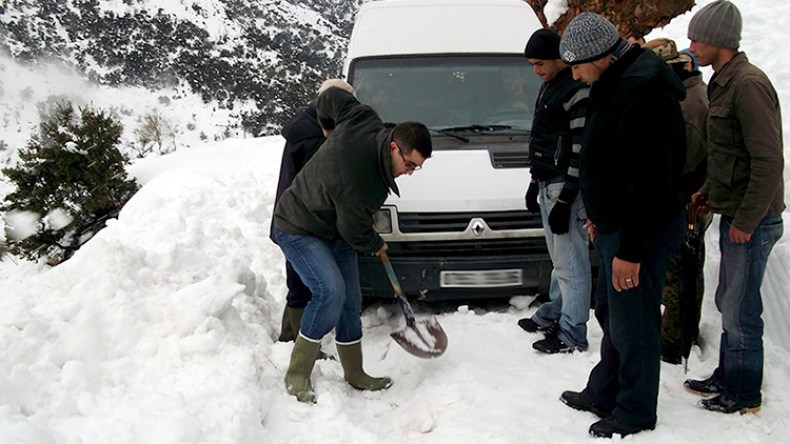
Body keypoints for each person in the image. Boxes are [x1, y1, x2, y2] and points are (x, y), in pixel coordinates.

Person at [556, 13, 686, 438]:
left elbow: (649, 182)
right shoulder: (615, 81)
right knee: (611, 312)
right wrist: (600, 217)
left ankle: (634, 411)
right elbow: (611, 162)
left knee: (635, 323)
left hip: (641, 234)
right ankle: (604, 390)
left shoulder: (643, 92)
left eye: (578, 66)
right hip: (617, 226)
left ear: (602, 56)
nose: (574, 75)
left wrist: (629, 251)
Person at [272, 85, 433, 403]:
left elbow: (331, 97)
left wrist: (330, 129)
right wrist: (375, 242)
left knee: (350, 300)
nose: (411, 173)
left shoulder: (362, 116)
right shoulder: (364, 181)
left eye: (417, 167)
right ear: (393, 147)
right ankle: (297, 373)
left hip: (334, 227)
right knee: (330, 291)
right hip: (300, 224)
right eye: (410, 165)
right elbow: (354, 229)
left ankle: (355, 372)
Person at [683, 0, 784, 414]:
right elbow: (728, 152)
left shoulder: (748, 85)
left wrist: (746, 219)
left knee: (742, 310)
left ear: (719, 40)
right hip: (734, 212)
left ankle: (743, 393)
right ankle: (728, 373)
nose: (691, 46)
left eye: (696, 38)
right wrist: (707, 189)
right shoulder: (721, 81)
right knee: (729, 301)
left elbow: (768, 160)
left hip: (753, 220)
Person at [517, 28, 592, 354]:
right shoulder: (550, 87)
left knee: (571, 263)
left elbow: (580, 149)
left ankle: (572, 332)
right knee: (559, 259)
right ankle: (554, 312)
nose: (535, 71)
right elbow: (543, 139)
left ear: (559, 58)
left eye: (539, 64)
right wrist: (535, 181)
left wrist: (566, 197)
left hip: (565, 186)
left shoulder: (576, 90)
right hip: (548, 182)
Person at [271, 79, 356, 343]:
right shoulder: (315, 138)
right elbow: (322, 188)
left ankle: (291, 334)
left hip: (290, 214)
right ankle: (295, 339)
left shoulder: (308, 126)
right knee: (313, 284)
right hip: (303, 220)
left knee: (299, 279)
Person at [644, 38, 711, 365]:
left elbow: (686, 160)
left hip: (687, 201)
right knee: (682, 270)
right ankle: (679, 333)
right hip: (687, 197)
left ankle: (674, 339)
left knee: (679, 272)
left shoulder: (690, 104)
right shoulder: (690, 95)